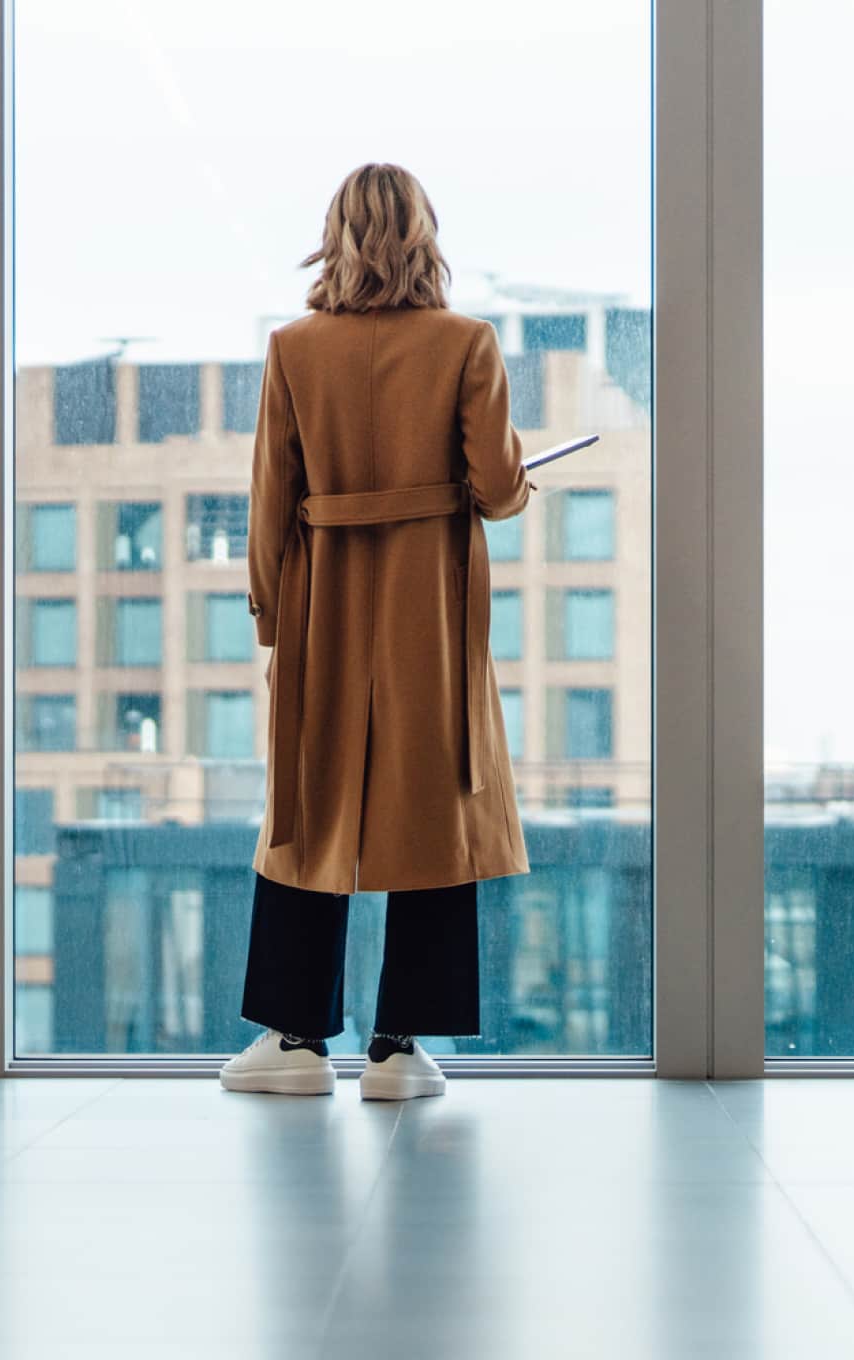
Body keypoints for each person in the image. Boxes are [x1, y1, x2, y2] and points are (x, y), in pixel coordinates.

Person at [217, 163, 533, 1101]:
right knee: (433, 802)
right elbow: (503, 492)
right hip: (426, 611)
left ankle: (295, 1040)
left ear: (336, 235)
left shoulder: (292, 349)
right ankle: (397, 1048)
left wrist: (273, 621)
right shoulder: (468, 343)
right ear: (425, 235)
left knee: (307, 809)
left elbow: (270, 500)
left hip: (321, 606)